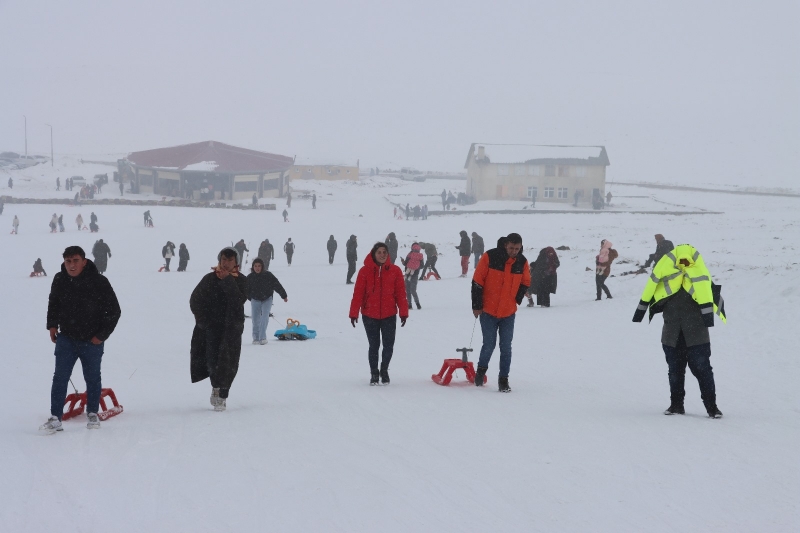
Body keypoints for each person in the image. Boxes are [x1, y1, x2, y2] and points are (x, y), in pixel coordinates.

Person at [632, 244, 726, 418]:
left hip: (697, 337)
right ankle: (676, 405)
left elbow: (713, 300)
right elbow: (655, 301)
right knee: (675, 371)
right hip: (671, 336)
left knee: (703, 371)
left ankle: (712, 407)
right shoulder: (665, 280)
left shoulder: (701, 279)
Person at [39, 246, 121, 434]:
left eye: (76, 260)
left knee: (92, 378)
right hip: (66, 338)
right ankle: (55, 418)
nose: (72, 265)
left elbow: (115, 311)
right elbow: (54, 302)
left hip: (91, 341)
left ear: (84, 261)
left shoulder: (99, 282)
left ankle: (92, 412)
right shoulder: (60, 280)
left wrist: (101, 336)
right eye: (68, 261)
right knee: (60, 377)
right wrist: (52, 325)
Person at [190, 247, 248, 412]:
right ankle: (216, 387)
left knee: (230, 362)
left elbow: (238, 300)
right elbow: (195, 299)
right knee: (212, 360)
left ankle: (223, 393)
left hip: (232, 328)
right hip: (211, 328)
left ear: (236, 262)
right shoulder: (209, 279)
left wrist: (228, 280)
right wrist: (202, 320)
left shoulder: (241, 280)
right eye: (224, 259)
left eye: (230, 260)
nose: (226, 263)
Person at [471, 234, 530, 392]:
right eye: (511, 248)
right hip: (488, 311)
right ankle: (480, 372)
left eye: (517, 249)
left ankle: (503, 380)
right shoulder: (490, 256)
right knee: (489, 345)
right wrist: (476, 305)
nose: (514, 251)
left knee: (506, 347)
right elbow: (477, 281)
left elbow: (526, 281)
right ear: (505, 245)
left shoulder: (522, 262)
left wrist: (516, 299)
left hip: (508, 313)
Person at [349, 242, 409, 385]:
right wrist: (353, 313)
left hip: (389, 315)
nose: (382, 255)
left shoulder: (395, 271)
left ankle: (384, 370)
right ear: (373, 254)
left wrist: (403, 312)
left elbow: (401, 294)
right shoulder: (365, 271)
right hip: (370, 315)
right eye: (379, 252)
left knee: (389, 345)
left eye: (384, 252)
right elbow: (358, 293)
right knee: (374, 345)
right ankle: (374, 373)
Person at [246, 258, 288, 344]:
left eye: (259, 266)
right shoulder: (250, 277)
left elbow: (277, 285)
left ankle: (263, 337)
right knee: (255, 319)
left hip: (267, 299)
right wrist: (250, 298)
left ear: (262, 267)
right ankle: (256, 338)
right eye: (255, 266)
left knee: (264, 317)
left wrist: (284, 295)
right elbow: (245, 290)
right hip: (255, 299)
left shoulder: (268, 275)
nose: (257, 268)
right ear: (253, 267)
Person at [400, 243, 424, 310]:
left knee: (408, 290)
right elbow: (422, 265)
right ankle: (417, 304)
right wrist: (416, 266)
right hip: (415, 274)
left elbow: (405, 263)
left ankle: (410, 305)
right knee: (413, 290)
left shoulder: (410, 254)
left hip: (408, 274)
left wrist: (403, 262)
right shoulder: (420, 255)